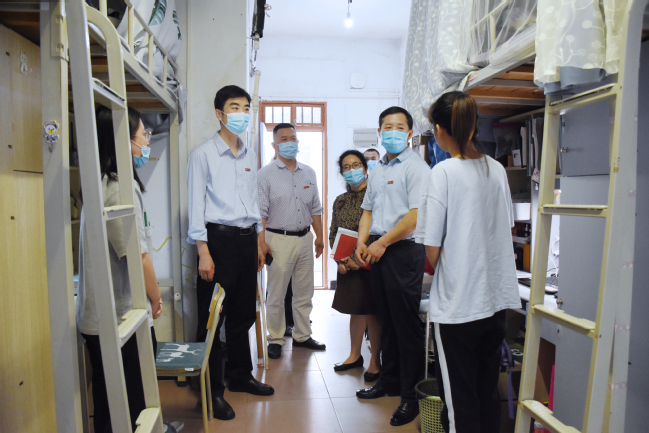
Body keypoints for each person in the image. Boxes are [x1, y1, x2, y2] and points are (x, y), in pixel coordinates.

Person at [416, 91, 521, 433]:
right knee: (487, 393)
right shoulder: (496, 169)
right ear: (474, 126)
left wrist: (455, 265)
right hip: (495, 305)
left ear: (440, 130)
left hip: (459, 308)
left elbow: (432, 247)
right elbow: (506, 227)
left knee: (459, 402)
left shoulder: (443, 172)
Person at [187, 85, 274, 421]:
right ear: (219, 114)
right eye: (234, 107)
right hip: (217, 242)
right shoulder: (203, 155)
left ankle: (240, 376)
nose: (241, 113)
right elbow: (196, 206)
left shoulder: (250, 155)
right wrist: (203, 252)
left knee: (243, 315)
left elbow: (252, 203)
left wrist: (259, 242)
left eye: (246, 107)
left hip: (246, 242)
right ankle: (210, 391)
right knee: (212, 320)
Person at [76, 107, 163, 433]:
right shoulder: (117, 188)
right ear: (123, 141)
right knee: (129, 403)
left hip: (106, 316)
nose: (147, 142)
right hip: (119, 318)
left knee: (110, 401)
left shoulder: (100, 183)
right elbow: (138, 256)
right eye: (143, 135)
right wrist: (156, 298)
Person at [354, 106, 430, 427]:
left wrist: (382, 243)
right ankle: (389, 381)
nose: (393, 132)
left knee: (406, 325)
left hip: (402, 251)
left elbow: (415, 217)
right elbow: (367, 210)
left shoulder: (417, 168)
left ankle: (411, 396)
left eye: (400, 127)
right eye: (388, 127)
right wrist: (362, 241)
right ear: (380, 132)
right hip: (378, 250)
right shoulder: (377, 169)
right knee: (385, 320)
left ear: (410, 133)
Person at [258, 123, 326, 360]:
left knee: (304, 292)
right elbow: (260, 213)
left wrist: (320, 237)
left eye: (293, 138)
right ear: (274, 145)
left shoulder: (309, 172)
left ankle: (302, 335)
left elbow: (315, 208)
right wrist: (261, 243)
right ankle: (275, 338)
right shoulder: (264, 175)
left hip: (305, 238)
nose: (290, 143)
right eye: (284, 139)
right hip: (278, 239)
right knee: (276, 294)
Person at [329, 150, 381, 382]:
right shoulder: (340, 200)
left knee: (372, 312)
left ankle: (375, 362)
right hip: (346, 265)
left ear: (366, 168)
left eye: (357, 165)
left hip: (369, 262)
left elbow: (377, 231)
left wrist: (356, 258)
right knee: (355, 310)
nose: (352, 170)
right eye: (347, 167)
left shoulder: (376, 196)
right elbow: (333, 232)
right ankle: (354, 355)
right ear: (342, 173)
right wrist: (339, 260)